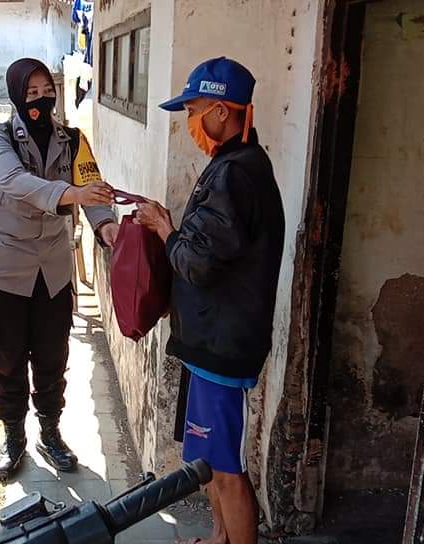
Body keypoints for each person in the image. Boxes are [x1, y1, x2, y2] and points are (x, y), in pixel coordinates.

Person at [134, 57, 285, 544]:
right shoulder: (232, 165)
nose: (189, 121)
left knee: (227, 468)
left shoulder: (236, 174)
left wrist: (164, 228)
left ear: (221, 111)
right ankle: (221, 537)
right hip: (209, 340)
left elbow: (198, 262)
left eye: (193, 110)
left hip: (224, 345)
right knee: (209, 460)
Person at [0, 58, 118, 481]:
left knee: (53, 355)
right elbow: (13, 181)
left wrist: (105, 224)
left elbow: (92, 186)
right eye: (31, 92)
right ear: (16, 95)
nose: (40, 99)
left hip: (52, 268)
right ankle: (13, 436)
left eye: (46, 90)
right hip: (4, 266)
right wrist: (73, 194)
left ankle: (50, 433)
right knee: (8, 357)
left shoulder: (73, 139)